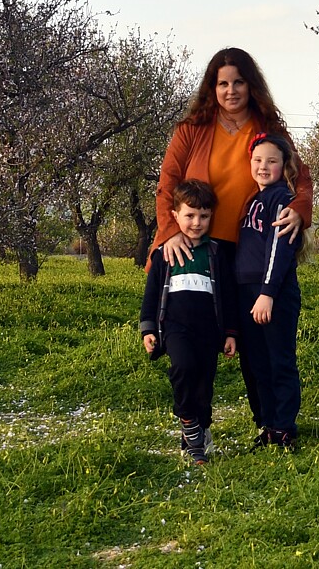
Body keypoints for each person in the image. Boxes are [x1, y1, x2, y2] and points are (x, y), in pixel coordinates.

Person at [152, 49, 312, 451]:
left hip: (250, 254)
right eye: (222, 83)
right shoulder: (191, 129)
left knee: (252, 342)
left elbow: (301, 176)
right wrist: (171, 230)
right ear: (212, 87)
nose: (230, 90)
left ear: (250, 84)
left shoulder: (268, 127)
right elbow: (168, 182)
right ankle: (196, 424)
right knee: (199, 339)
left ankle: (271, 424)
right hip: (198, 247)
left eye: (238, 82)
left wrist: (299, 211)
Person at [138, 179, 237, 463]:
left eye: (204, 216)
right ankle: (188, 423)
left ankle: (200, 428)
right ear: (175, 216)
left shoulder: (217, 254)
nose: (196, 222)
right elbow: (152, 294)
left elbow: (228, 296)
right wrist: (148, 328)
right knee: (183, 367)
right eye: (190, 215)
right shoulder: (164, 254)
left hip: (209, 330)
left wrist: (231, 333)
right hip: (175, 328)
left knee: (205, 385)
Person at [235, 132, 302, 449]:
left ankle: (284, 427)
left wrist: (267, 293)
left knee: (279, 360)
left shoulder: (282, 199)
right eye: (258, 160)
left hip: (273, 293)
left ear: (283, 165)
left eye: (271, 161)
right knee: (254, 362)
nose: (263, 166)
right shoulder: (251, 200)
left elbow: (280, 250)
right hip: (246, 292)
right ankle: (266, 423)